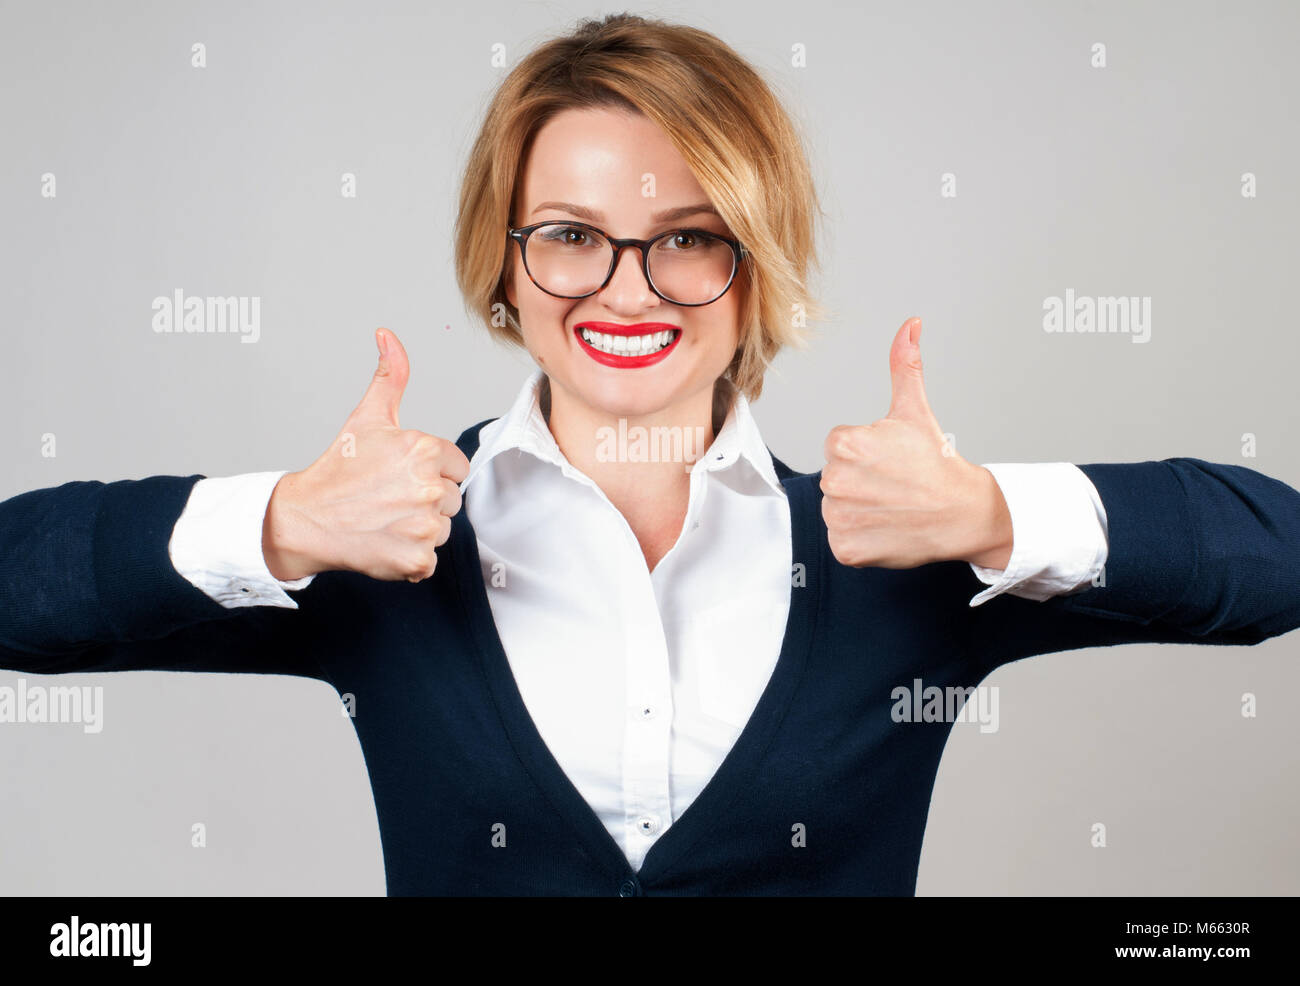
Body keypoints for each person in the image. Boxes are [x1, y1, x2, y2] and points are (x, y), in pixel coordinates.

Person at [3, 13, 1299, 896]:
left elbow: (1275, 553)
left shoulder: (898, 552)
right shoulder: (382, 543)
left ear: (755, 264)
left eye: (688, 235)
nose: (628, 289)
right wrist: (281, 522)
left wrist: (993, 511)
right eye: (569, 232)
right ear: (505, 261)